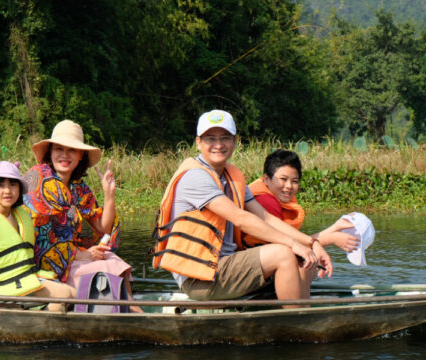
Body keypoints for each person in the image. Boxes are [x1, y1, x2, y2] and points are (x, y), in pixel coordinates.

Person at [152, 109, 333, 306]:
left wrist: (311, 243)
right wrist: (292, 244)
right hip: (201, 277)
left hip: (225, 266)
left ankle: (302, 312)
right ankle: (296, 321)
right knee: (283, 253)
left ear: (235, 141)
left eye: (225, 138)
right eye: (210, 138)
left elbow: (264, 217)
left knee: (304, 260)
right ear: (198, 143)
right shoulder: (195, 177)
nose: (218, 145)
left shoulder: (231, 176)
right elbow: (241, 218)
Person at [22, 119, 140, 311]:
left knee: (113, 261)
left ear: (80, 156)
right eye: (59, 149)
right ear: (50, 152)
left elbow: (104, 229)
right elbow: (40, 237)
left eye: (72, 150)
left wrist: (109, 195)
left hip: (70, 258)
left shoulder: (78, 188)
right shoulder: (38, 178)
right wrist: (82, 255)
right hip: (42, 264)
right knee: (107, 267)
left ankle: (132, 310)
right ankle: (134, 314)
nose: (64, 155)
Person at [0, 161, 76, 312]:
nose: (8, 191)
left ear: (19, 189)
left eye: (13, 185)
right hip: (2, 285)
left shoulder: (20, 216)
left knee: (73, 294)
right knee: (64, 296)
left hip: (23, 280)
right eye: (0, 185)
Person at [244, 149, 360, 252]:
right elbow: (290, 247)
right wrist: (332, 238)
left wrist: (336, 227)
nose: (289, 186)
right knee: (308, 264)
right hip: (256, 259)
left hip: (267, 254)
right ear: (266, 179)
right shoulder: (266, 202)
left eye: (294, 181)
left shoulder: (272, 196)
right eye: (283, 179)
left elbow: (298, 241)